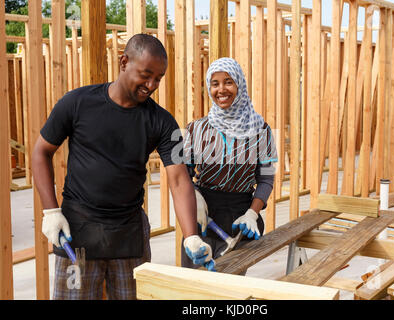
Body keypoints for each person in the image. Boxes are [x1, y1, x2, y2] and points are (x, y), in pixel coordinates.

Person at [31, 33, 214, 300]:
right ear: (124, 61)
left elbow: (179, 179)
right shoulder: (77, 103)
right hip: (77, 235)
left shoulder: (163, 122)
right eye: (146, 74)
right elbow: (41, 152)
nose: (151, 85)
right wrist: (50, 211)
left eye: (158, 79)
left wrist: (191, 236)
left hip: (129, 236)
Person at [181, 57, 277, 270]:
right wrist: (193, 196)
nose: (221, 89)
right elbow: (182, 176)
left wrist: (253, 213)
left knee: (229, 289)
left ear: (239, 85)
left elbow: (267, 177)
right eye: (215, 84)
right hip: (202, 217)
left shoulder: (261, 130)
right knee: (193, 288)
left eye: (228, 82)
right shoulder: (195, 129)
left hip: (238, 218)